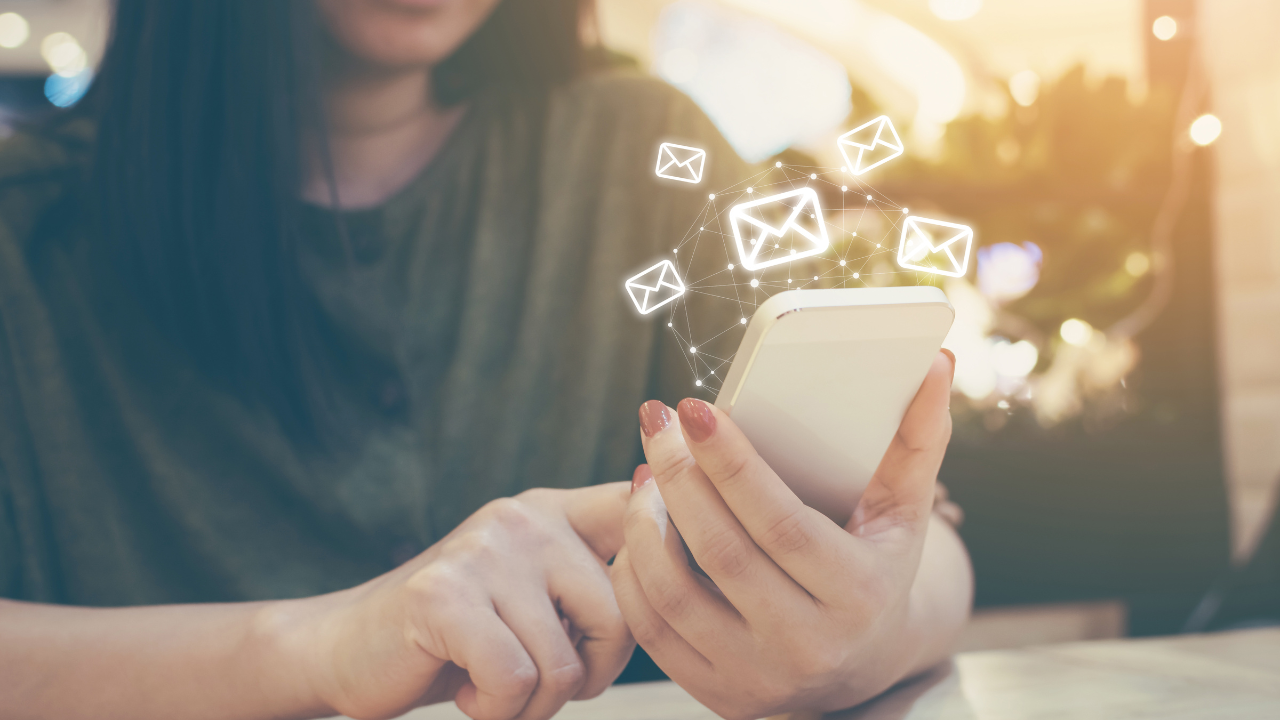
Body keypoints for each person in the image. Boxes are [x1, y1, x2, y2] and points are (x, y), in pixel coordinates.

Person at [0, 1, 973, 719]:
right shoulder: (29, 233)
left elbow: (917, 547)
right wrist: (333, 641)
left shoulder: (640, 151)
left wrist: (860, 638)